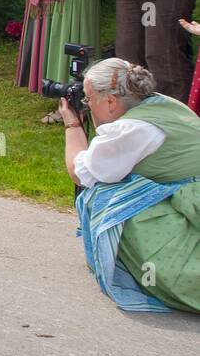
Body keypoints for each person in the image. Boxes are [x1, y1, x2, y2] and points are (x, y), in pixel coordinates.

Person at [61, 58, 200, 314]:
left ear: (111, 102)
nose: (86, 104)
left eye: (88, 99)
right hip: (190, 197)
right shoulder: (162, 103)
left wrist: (72, 124)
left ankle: (166, 278)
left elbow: (82, 174)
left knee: (106, 196)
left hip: (189, 203)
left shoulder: (132, 128)